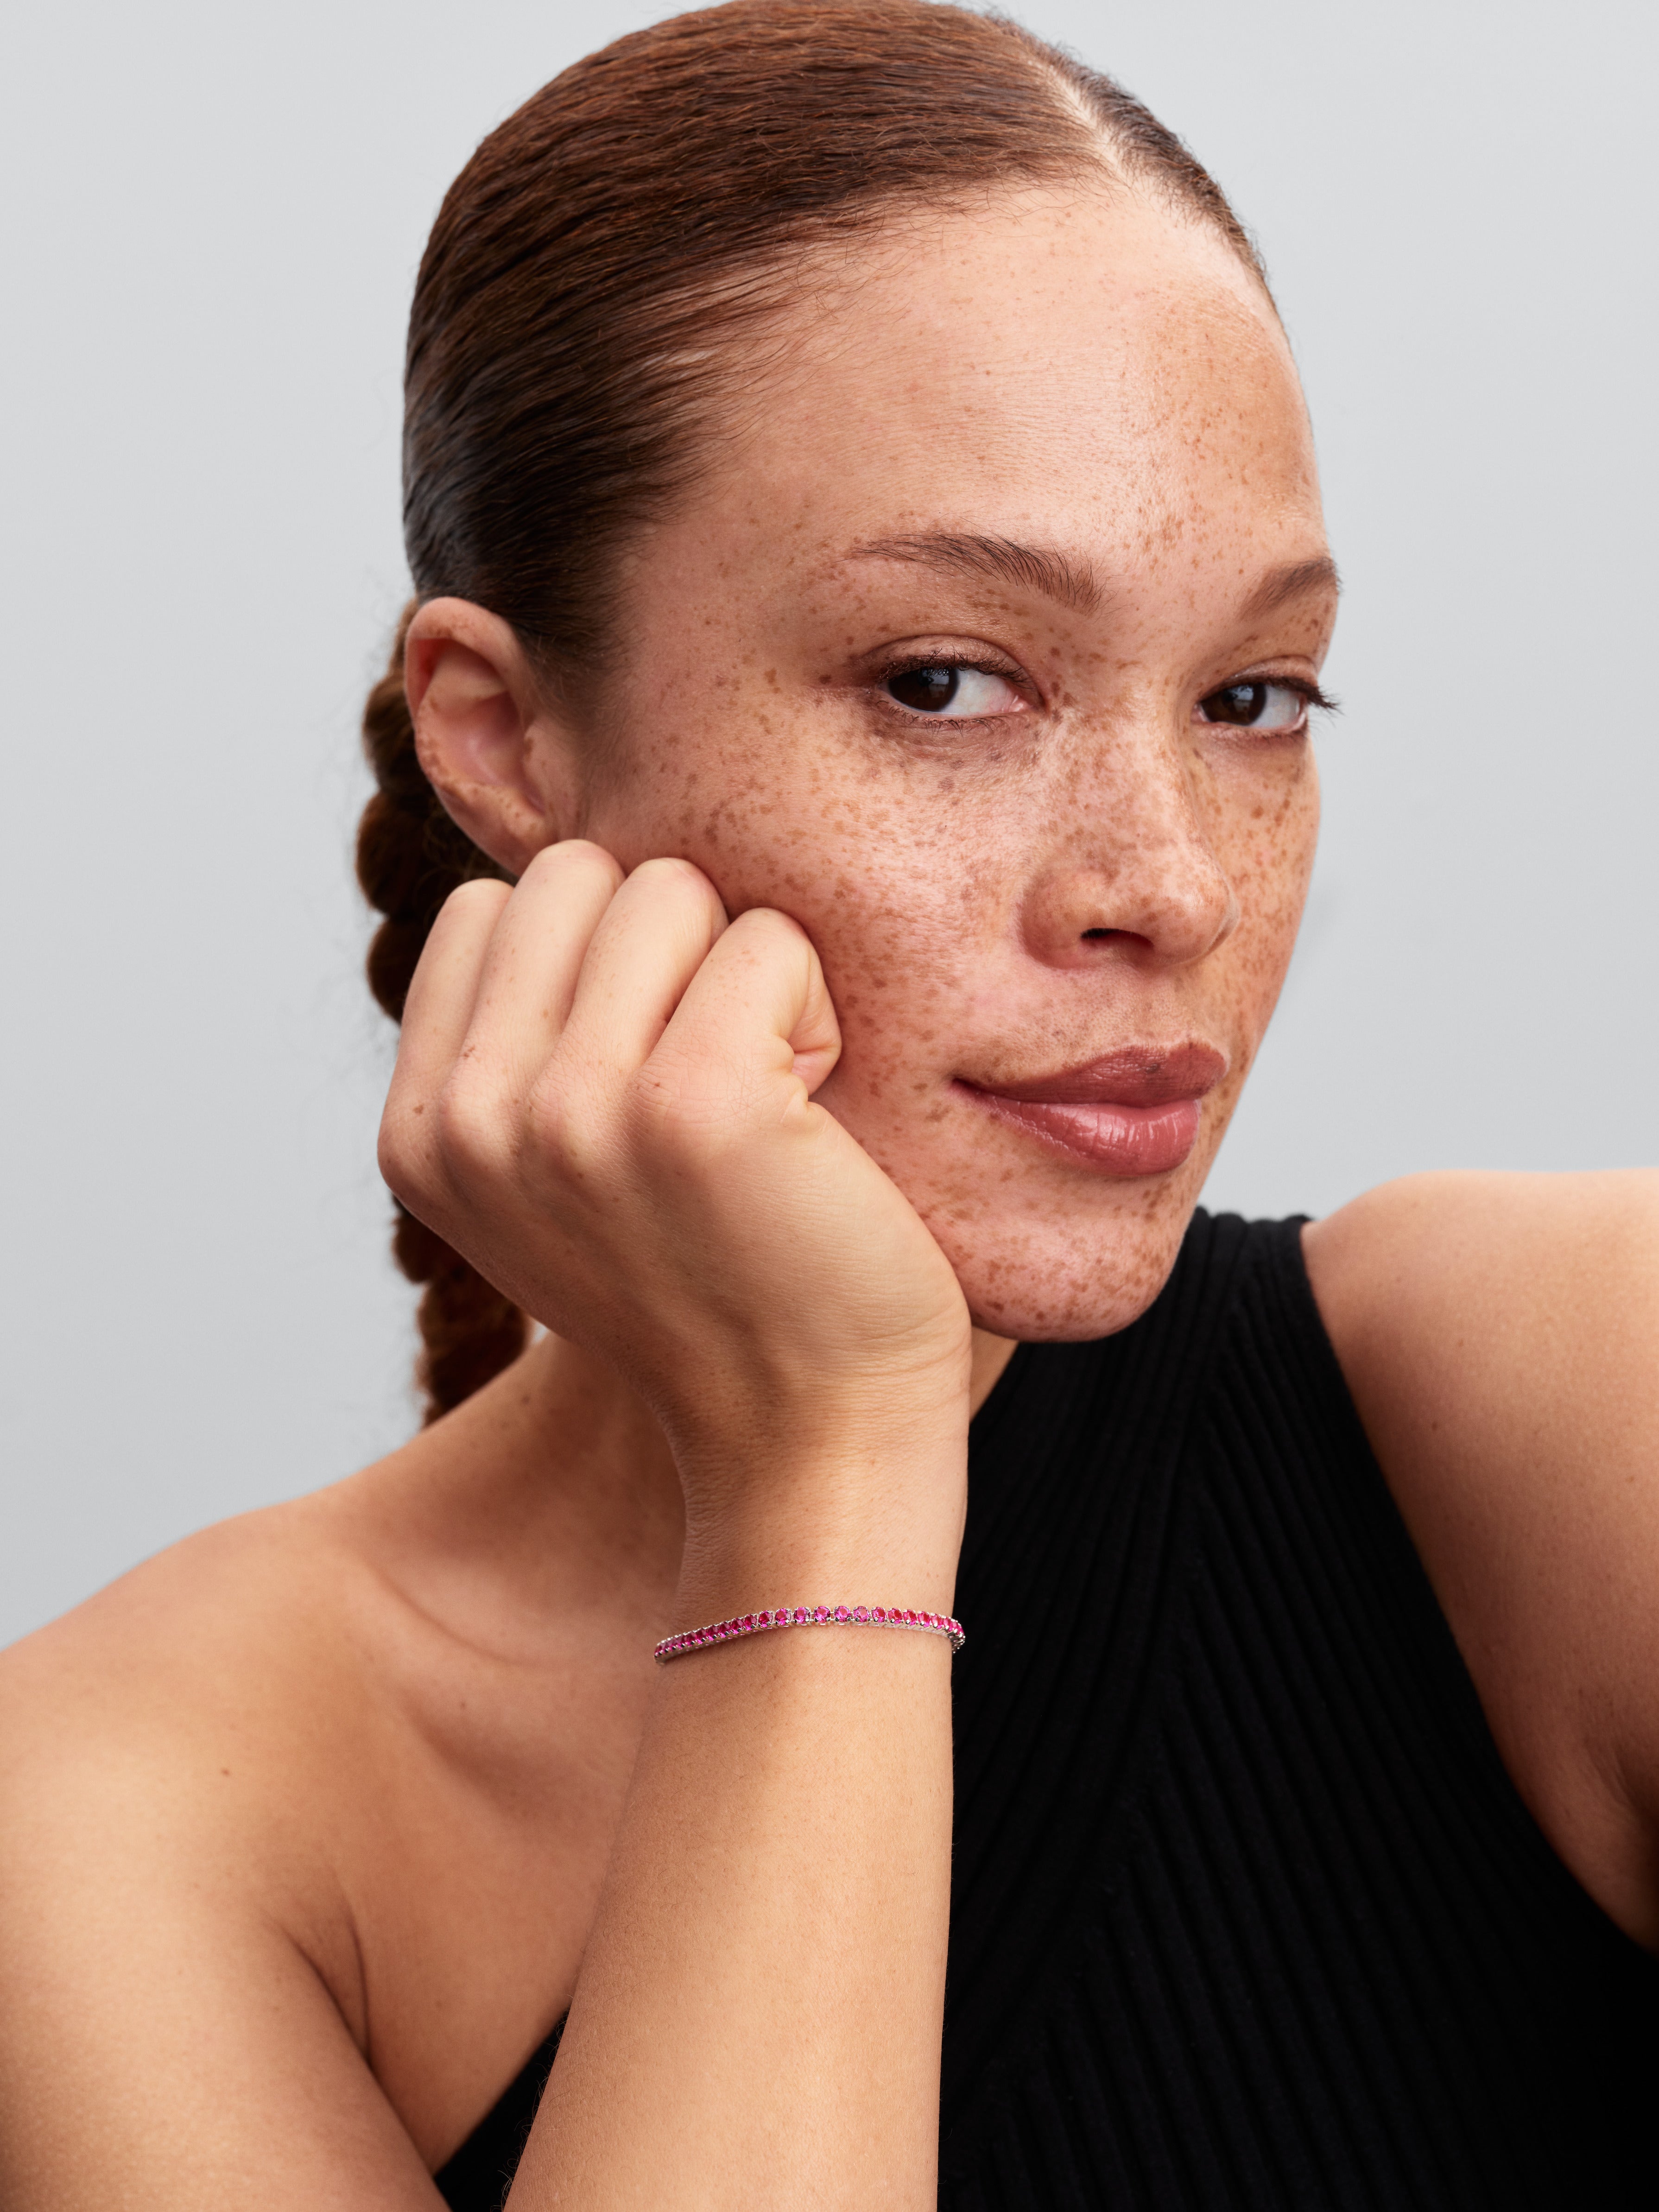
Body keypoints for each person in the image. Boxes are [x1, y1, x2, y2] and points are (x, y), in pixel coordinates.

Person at [2, 1, 1655, 2204]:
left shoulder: (1566, 1406)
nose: (1167, 884)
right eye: (944, 682)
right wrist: (826, 1481)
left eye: (1254, 697)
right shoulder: (127, 1825)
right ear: (498, 737)